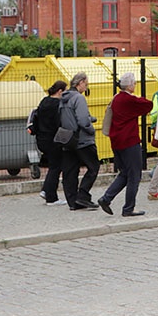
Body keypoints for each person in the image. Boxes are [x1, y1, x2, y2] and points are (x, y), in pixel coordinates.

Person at [98, 72, 153, 216]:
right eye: (134, 83)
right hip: (129, 140)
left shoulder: (116, 99)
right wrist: (136, 97)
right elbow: (148, 105)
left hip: (116, 141)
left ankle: (106, 198)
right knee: (134, 175)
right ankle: (128, 208)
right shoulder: (129, 100)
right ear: (129, 85)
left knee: (124, 173)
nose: (135, 85)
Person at [60, 72, 100, 211]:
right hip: (82, 139)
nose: (86, 87)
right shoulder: (78, 98)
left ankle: (72, 201)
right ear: (80, 83)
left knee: (70, 171)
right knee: (93, 167)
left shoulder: (63, 98)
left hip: (67, 138)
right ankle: (83, 195)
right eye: (86, 84)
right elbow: (82, 120)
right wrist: (91, 129)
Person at [33, 80, 67, 206]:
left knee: (53, 165)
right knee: (56, 166)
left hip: (42, 138)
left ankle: (47, 191)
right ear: (60, 91)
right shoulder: (57, 105)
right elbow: (59, 123)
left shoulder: (44, 101)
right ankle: (50, 195)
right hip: (53, 139)